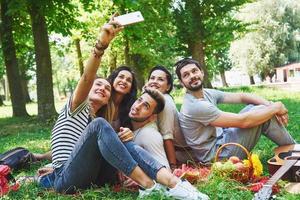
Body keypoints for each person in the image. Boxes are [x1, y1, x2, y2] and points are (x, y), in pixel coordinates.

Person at [38, 18, 209, 200]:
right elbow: (87, 77)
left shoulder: (94, 117)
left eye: (106, 88)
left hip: (93, 175)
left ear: (107, 101)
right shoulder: (75, 107)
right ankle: (150, 186)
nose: (102, 88)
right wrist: (101, 44)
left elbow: (88, 150)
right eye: (98, 84)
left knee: (122, 139)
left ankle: (175, 184)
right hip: (66, 179)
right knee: (99, 125)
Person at [174, 58, 296, 164]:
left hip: (222, 140)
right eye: (186, 75)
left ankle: (294, 149)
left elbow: (241, 96)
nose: (192, 76)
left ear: (201, 72)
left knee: (261, 109)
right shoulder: (194, 106)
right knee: (262, 112)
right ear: (181, 82)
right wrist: (276, 107)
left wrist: (271, 105)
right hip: (217, 157)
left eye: (194, 71)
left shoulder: (206, 93)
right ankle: (295, 150)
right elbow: (244, 122)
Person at [145, 65, 193, 168]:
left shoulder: (165, 102)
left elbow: (167, 137)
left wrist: (172, 165)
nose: (154, 81)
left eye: (160, 79)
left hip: (181, 154)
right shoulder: (155, 101)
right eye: (152, 78)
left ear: (168, 86)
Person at [129, 88, 170, 168]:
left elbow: (166, 169)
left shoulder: (150, 135)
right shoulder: (133, 127)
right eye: (139, 100)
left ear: (152, 117)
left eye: (145, 106)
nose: (137, 106)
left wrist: (142, 178)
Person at [107, 66, 137, 130]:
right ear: (113, 80)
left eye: (128, 80)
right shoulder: (102, 99)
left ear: (130, 89)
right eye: (121, 77)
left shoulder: (130, 108)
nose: (124, 81)